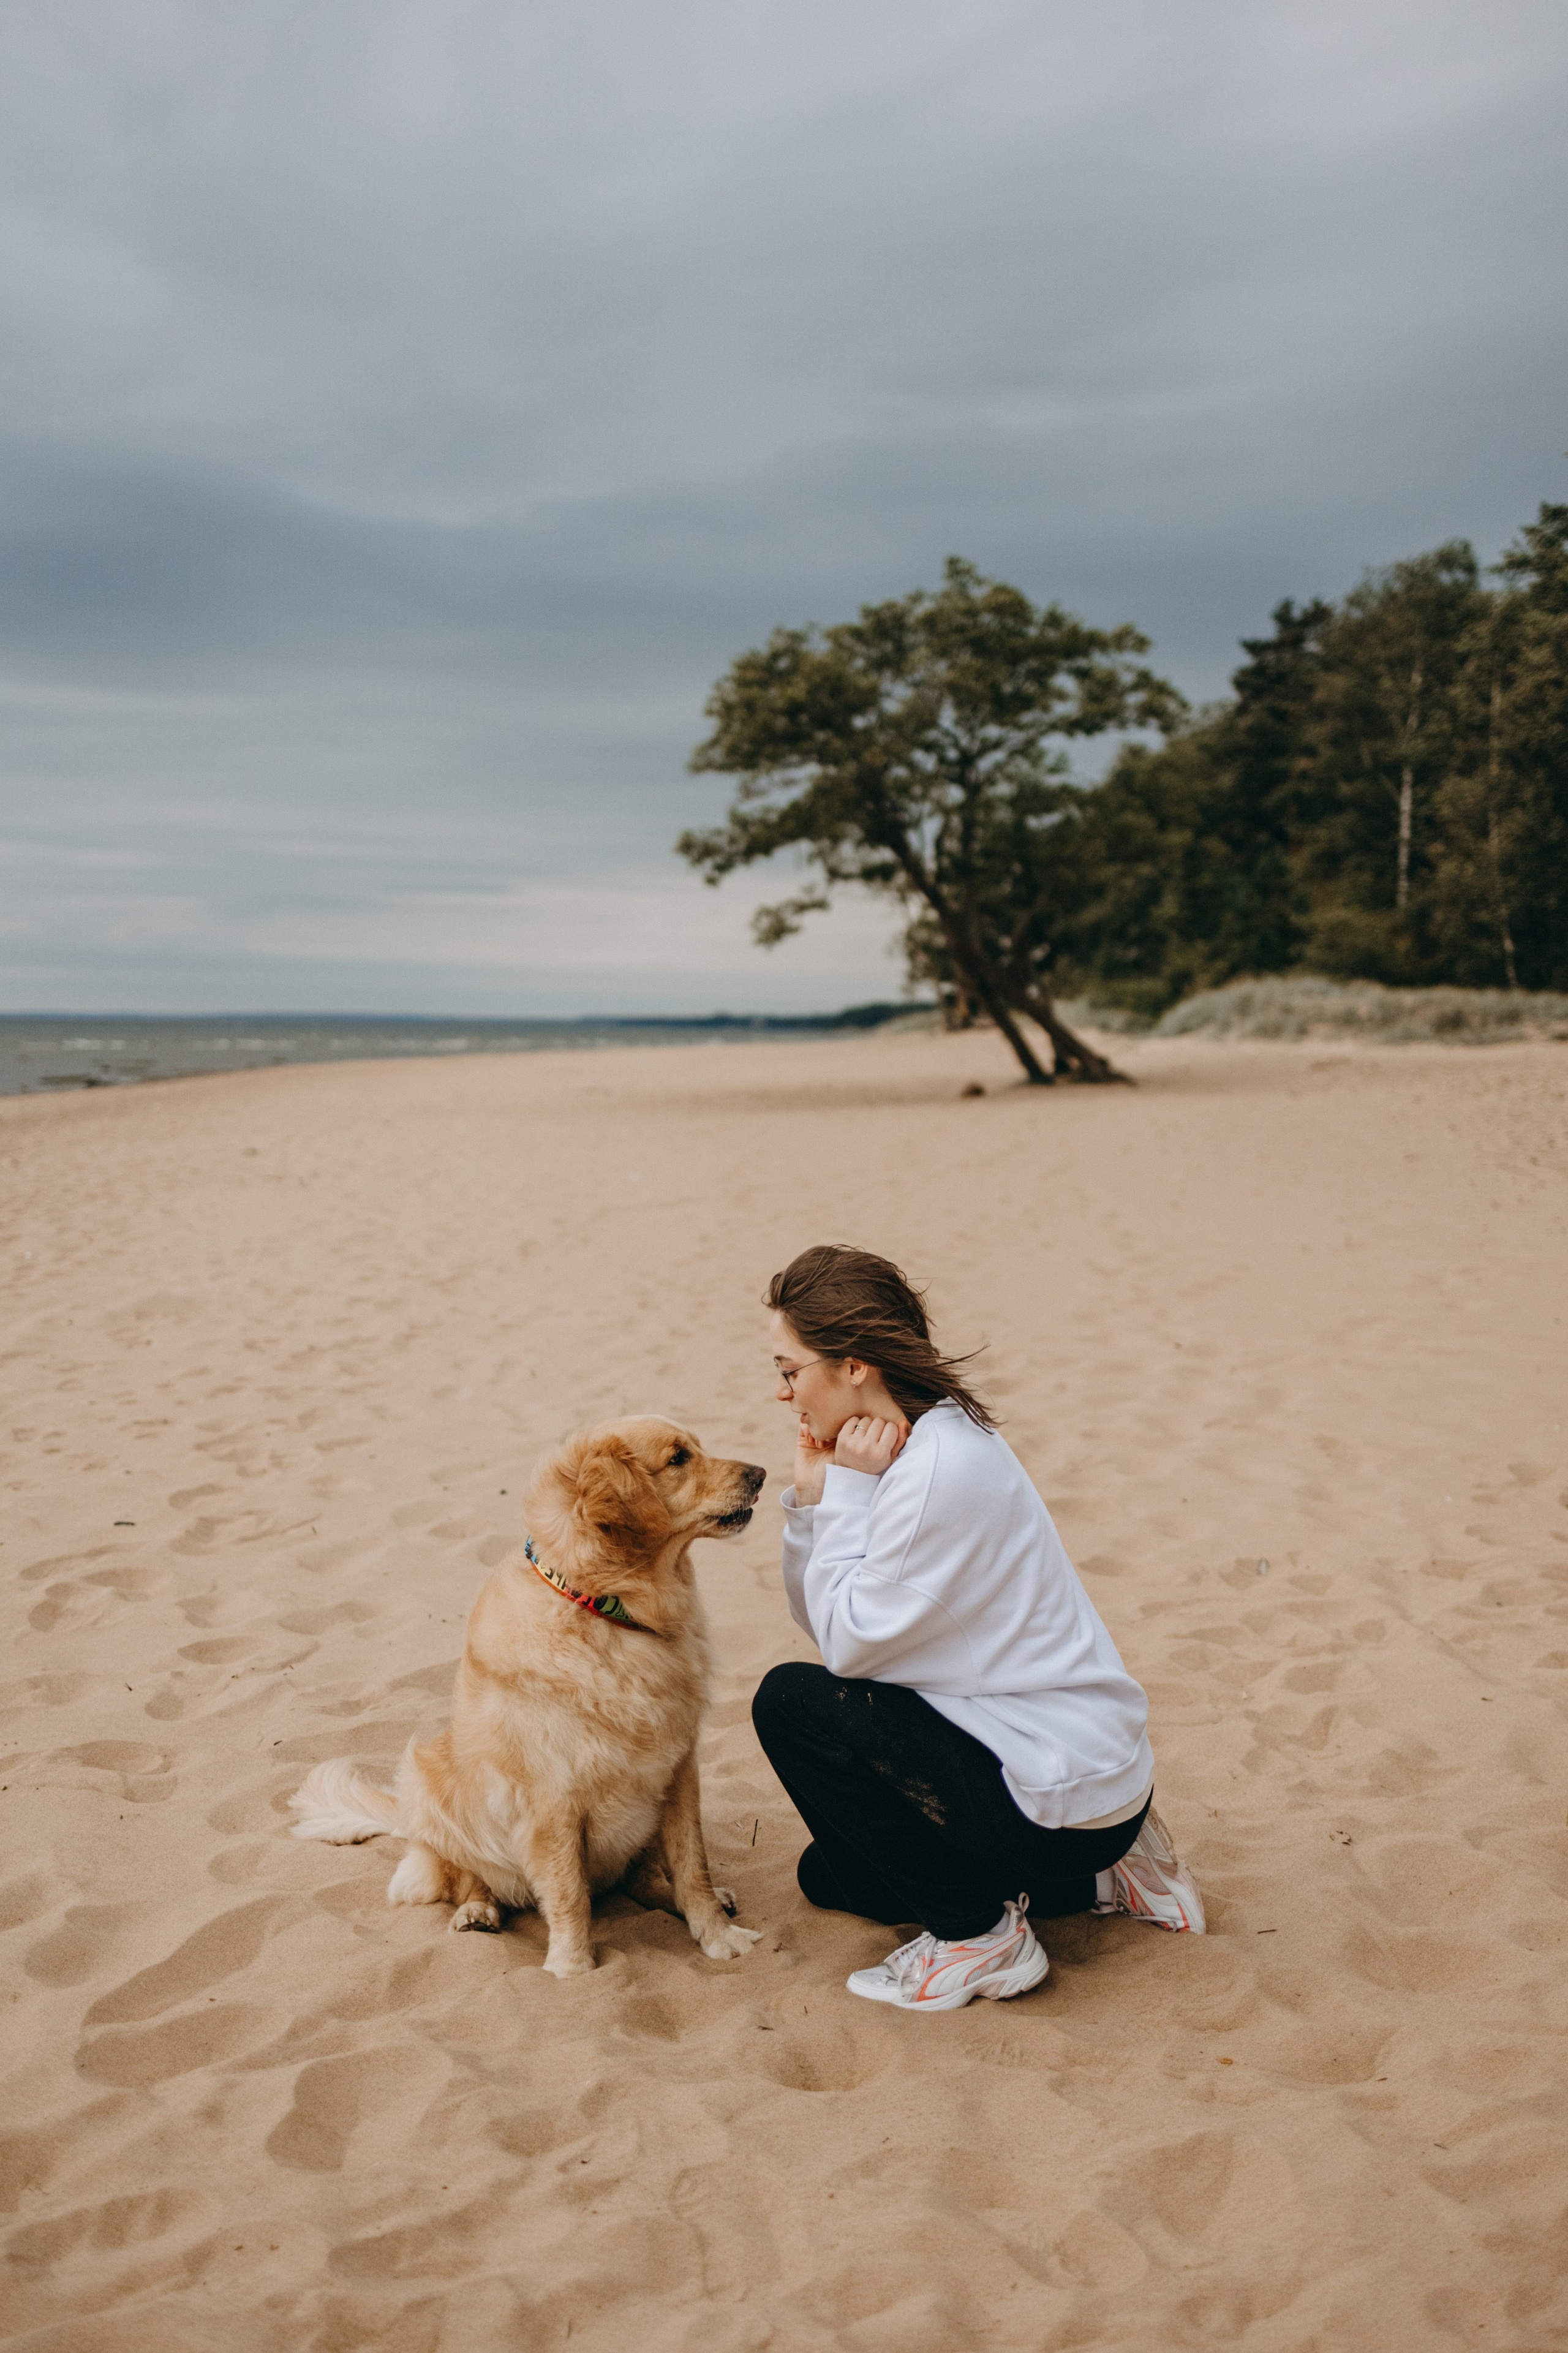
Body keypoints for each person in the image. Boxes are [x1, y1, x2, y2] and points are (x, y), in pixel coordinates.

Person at [751, 1243, 1204, 2013]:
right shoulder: (934, 1430)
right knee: (833, 1879)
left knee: (789, 1702)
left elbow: (845, 1649)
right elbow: (829, 1618)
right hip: (1080, 1782)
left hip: (1061, 1790)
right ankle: (1103, 1878)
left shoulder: (932, 1474)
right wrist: (813, 1505)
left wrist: (846, 1500)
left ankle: (978, 1939)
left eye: (790, 1368)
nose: (781, 1391)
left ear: (853, 1364)